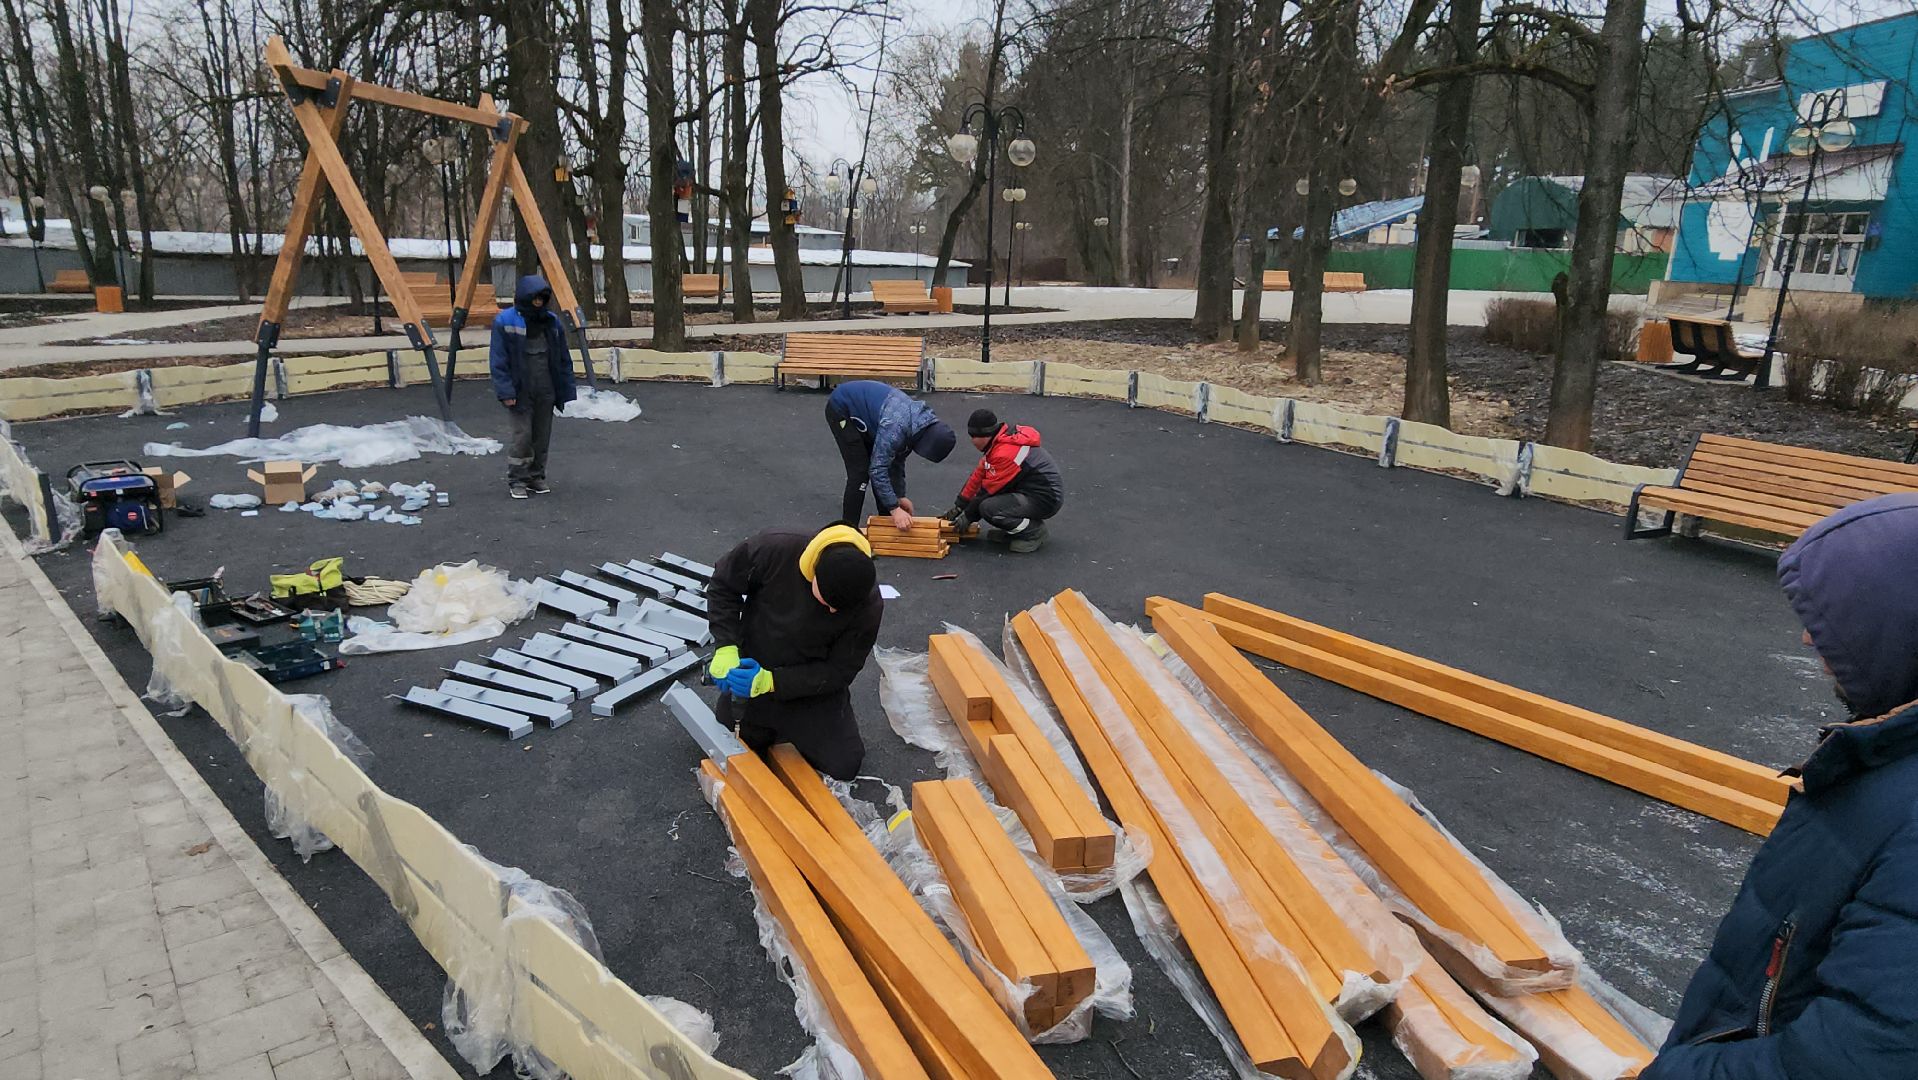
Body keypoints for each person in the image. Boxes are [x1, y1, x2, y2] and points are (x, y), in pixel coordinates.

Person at [1645, 492, 1918, 1079]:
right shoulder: (1887, 754)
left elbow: (1857, 1060)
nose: (1808, 640)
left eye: (1834, 621)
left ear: (1899, 632)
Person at [705, 524, 883, 780]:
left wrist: (772, 681)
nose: (832, 611)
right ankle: (762, 722)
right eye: (827, 602)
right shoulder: (775, 550)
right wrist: (726, 647)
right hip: (755, 669)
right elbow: (723, 586)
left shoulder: (868, 603)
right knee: (730, 742)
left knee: (845, 765)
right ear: (814, 573)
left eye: (839, 609)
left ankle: (787, 724)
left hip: (810, 691)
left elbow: (839, 670)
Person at [824, 379, 956, 530]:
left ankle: (885, 522)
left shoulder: (918, 426)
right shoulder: (895, 429)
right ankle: (847, 530)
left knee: (882, 464)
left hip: (872, 416)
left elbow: (896, 461)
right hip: (842, 408)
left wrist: (899, 497)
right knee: (860, 473)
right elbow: (877, 469)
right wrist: (894, 508)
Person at [489, 274, 577, 499]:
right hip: (520, 390)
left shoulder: (551, 322)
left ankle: (536, 475)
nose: (538, 303)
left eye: (541, 299)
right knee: (523, 435)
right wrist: (506, 391)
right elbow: (499, 360)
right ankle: (517, 478)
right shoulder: (505, 321)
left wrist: (565, 388)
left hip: (546, 388)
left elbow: (562, 357)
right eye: (534, 298)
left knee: (542, 435)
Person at [939, 408, 1064, 553]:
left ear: (984, 435)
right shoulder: (997, 442)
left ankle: (1033, 532)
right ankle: (1016, 531)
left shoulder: (1004, 454)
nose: (971, 441)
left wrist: (967, 517)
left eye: (973, 436)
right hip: (1030, 491)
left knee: (989, 508)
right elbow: (978, 477)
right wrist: (959, 506)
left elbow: (988, 491)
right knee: (990, 503)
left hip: (1046, 498)